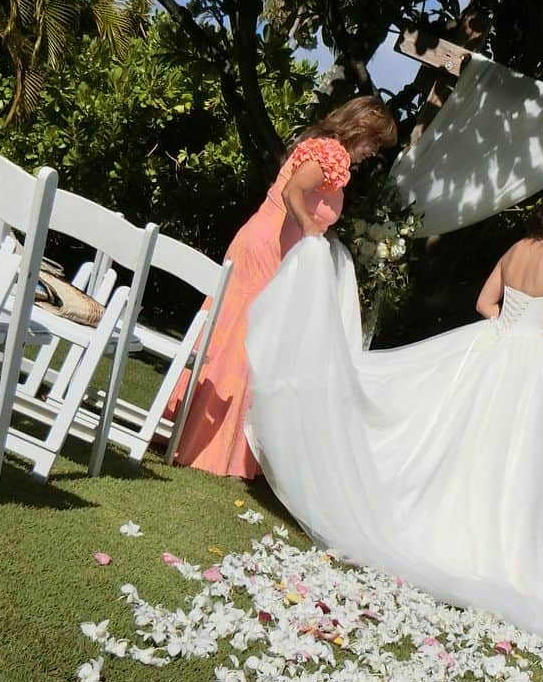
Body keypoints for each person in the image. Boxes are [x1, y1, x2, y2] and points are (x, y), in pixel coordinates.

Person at [242, 175, 543, 643]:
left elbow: (483, 303)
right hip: (530, 364)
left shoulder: (517, 249)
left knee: (460, 439)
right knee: (511, 459)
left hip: (489, 348)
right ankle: (491, 543)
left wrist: (507, 330)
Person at [167, 96, 399, 478]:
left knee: (237, 333)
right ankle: (210, 446)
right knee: (249, 339)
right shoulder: (334, 155)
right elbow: (293, 191)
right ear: (361, 131)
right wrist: (309, 225)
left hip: (262, 243)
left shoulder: (322, 148)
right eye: (374, 143)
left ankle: (194, 429)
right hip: (267, 252)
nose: (372, 153)